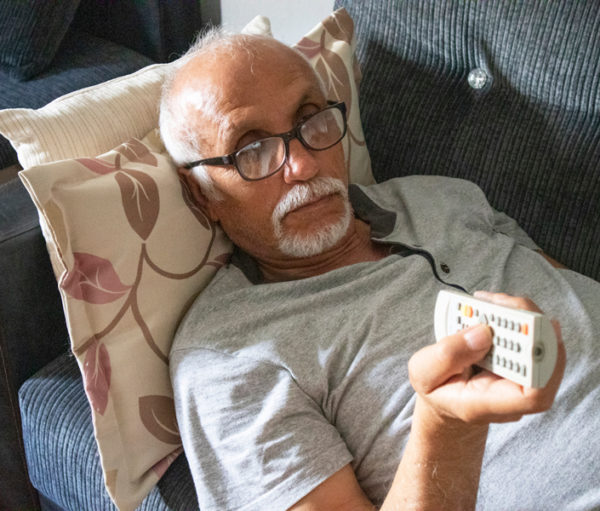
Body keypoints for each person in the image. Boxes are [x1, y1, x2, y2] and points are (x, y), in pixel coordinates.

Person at [160, 29, 599, 511]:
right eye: (252, 150)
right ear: (202, 194)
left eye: (312, 121)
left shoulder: (439, 194)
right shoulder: (229, 360)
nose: (304, 164)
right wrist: (446, 424)